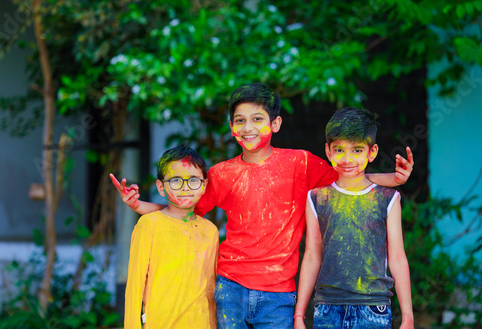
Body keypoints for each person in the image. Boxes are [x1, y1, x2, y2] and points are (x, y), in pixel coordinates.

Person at [112, 83, 414, 328]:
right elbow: (182, 211)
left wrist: (393, 179)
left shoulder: (301, 163)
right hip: (230, 286)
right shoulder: (222, 173)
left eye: (258, 119)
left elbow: (349, 176)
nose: (248, 128)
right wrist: (140, 205)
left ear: (276, 123)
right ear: (231, 127)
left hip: (279, 292)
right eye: (240, 121)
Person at [294, 107, 414, 329]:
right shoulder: (317, 198)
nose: (347, 158)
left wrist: (408, 315)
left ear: (372, 151)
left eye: (357, 150)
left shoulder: (387, 198)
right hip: (327, 308)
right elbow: (312, 255)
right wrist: (299, 314)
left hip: (373, 308)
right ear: (328, 152)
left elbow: (397, 258)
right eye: (339, 150)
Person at [123, 145, 219, 329]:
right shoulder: (148, 225)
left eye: (193, 180)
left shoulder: (210, 231)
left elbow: (210, 289)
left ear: (204, 185)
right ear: (161, 187)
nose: (185, 188)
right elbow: (134, 289)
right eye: (175, 181)